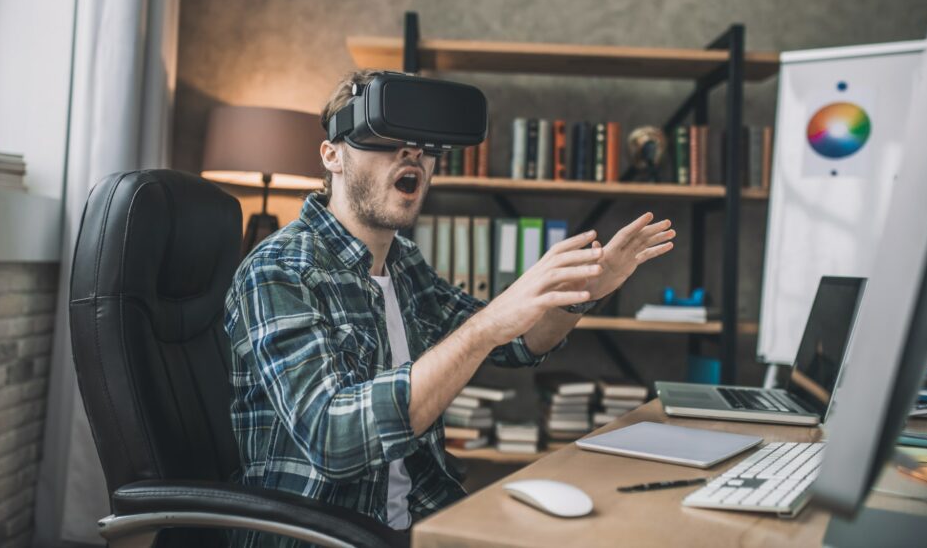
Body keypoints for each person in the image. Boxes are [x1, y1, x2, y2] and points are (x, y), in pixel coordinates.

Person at [224, 70, 676, 546]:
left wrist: (584, 290)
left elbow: (515, 345)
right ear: (332, 155)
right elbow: (334, 441)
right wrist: (486, 325)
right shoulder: (279, 270)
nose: (412, 153)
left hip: (420, 520)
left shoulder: (403, 263)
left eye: (424, 144)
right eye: (385, 136)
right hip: (325, 536)